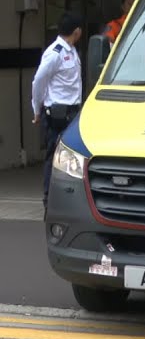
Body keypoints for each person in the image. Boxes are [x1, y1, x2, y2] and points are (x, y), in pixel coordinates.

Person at [32, 13, 84, 207]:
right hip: (57, 114)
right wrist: (36, 108)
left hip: (72, 113)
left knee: (71, 158)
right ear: (77, 31)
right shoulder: (54, 53)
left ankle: (68, 198)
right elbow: (39, 81)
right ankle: (48, 199)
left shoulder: (71, 50)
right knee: (53, 156)